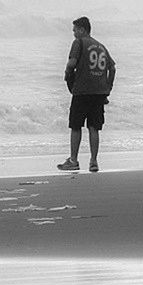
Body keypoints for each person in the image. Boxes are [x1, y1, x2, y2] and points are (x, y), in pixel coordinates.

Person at [58, 16, 116, 172]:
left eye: (75, 30)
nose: (74, 33)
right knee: (93, 127)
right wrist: (108, 88)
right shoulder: (101, 46)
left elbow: (72, 63)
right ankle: (93, 161)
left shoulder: (79, 42)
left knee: (76, 126)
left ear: (82, 30)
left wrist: (67, 73)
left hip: (82, 91)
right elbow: (112, 68)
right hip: (99, 93)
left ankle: (73, 160)